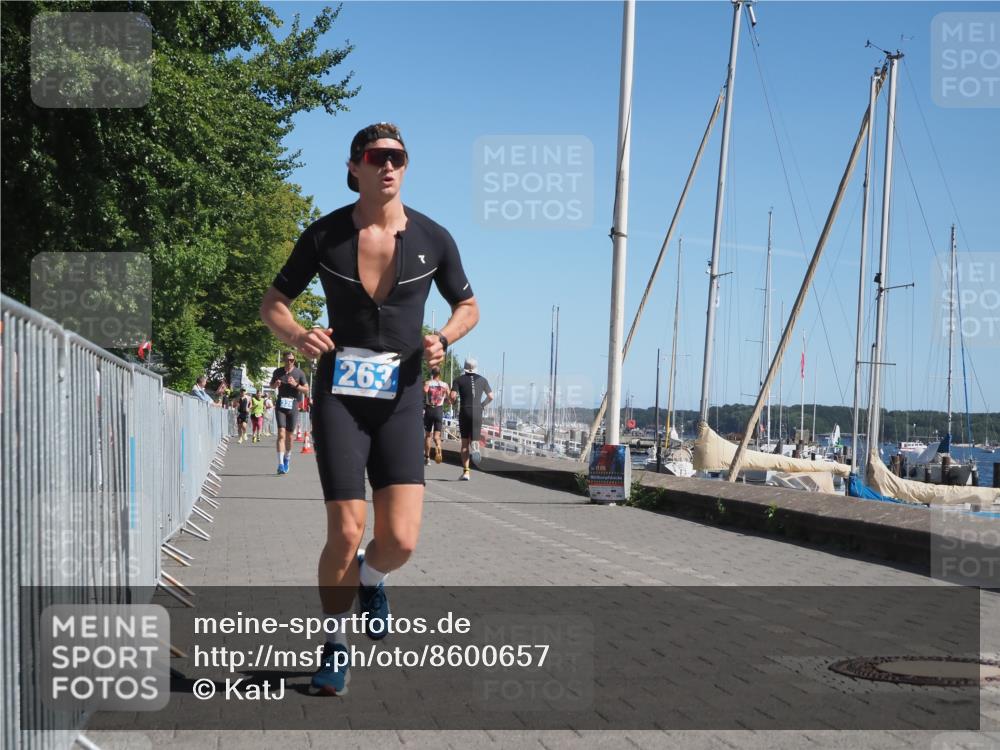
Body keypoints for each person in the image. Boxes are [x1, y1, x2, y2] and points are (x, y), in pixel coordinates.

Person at [259, 122, 479, 696]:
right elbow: (273, 303)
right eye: (378, 157)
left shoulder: (435, 237)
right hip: (339, 398)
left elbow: (469, 305)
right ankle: (334, 647)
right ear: (354, 165)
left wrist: (445, 339)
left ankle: (373, 577)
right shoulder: (325, 235)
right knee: (347, 527)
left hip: (403, 398)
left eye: (399, 157)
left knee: (401, 540)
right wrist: (297, 335)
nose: (389, 166)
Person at [450, 358, 493, 481]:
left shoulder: (458, 380)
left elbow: (453, 396)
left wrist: (453, 402)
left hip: (465, 410)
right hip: (477, 411)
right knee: (474, 440)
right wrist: (482, 405)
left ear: (465, 368)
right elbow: (491, 396)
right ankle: (475, 447)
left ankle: (466, 472)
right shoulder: (483, 380)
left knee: (464, 444)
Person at [269, 353, 309, 474]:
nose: (290, 361)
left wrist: (296, 385)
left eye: (292, 360)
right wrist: (275, 385)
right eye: (287, 359)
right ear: (283, 360)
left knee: (290, 436)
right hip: (281, 404)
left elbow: (307, 389)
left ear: (294, 360)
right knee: (281, 434)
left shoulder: (299, 373)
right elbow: (271, 385)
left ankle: (287, 457)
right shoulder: (277, 372)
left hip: (293, 405)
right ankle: (280, 464)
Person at [423, 366, 449, 465]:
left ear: (432, 374)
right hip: (439, 410)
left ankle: (427, 458)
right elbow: (449, 400)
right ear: (440, 374)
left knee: (428, 435)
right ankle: (438, 446)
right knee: (437, 436)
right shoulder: (445, 385)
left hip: (429, 410)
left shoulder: (428, 382)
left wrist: (428, 383)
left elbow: (425, 391)